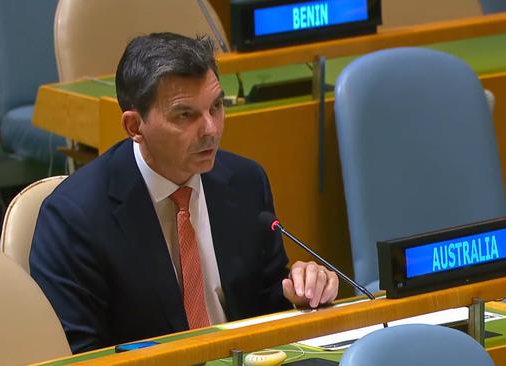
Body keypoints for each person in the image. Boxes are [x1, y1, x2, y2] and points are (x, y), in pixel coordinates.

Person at [30, 32, 339, 354]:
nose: (211, 129)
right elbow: (84, 354)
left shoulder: (245, 182)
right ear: (135, 126)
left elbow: (266, 302)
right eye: (185, 115)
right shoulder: (75, 217)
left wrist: (301, 293)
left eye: (216, 107)